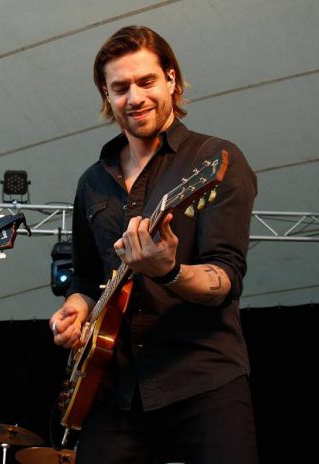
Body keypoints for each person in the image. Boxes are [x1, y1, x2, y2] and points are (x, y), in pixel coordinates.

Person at [49, 26, 258, 464]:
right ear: (106, 96)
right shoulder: (92, 182)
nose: (135, 97)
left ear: (171, 80)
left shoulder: (213, 160)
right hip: (114, 389)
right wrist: (76, 308)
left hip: (203, 379)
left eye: (146, 82)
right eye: (120, 87)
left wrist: (169, 271)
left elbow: (225, 277)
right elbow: (87, 277)